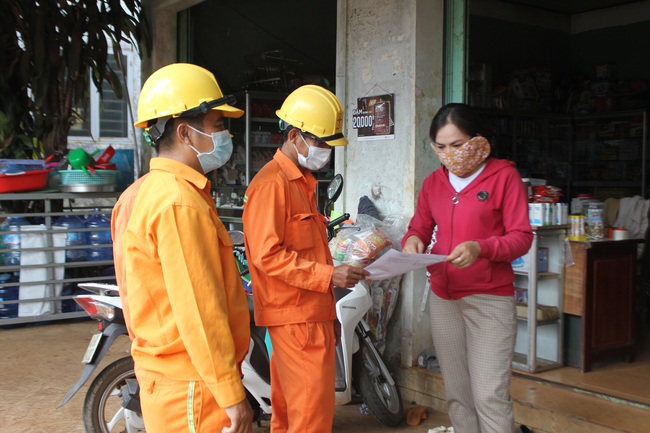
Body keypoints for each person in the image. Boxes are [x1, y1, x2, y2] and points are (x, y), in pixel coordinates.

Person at [112, 63, 253, 433]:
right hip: (194, 386)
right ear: (184, 133)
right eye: (218, 125)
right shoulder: (179, 203)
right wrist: (230, 392)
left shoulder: (137, 194)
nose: (226, 135)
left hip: (168, 379)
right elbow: (199, 310)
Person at [241, 84, 369, 433]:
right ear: (295, 135)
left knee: (291, 417)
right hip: (296, 319)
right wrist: (329, 277)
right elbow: (267, 257)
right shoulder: (272, 185)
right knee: (309, 419)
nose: (326, 151)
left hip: (309, 315)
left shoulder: (301, 184)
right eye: (322, 143)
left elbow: (302, 250)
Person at [401, 103, 533, 433]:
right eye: (441, 147)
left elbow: (521, 237)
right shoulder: (433, 183)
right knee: (458, 395)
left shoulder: (504, 176)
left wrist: (481, 247)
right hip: (444, 299)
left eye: (457, 145)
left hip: (490, 300)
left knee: (489, 395)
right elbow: (419, 226)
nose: (449, 155)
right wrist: (412, 241)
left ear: (477, 140)